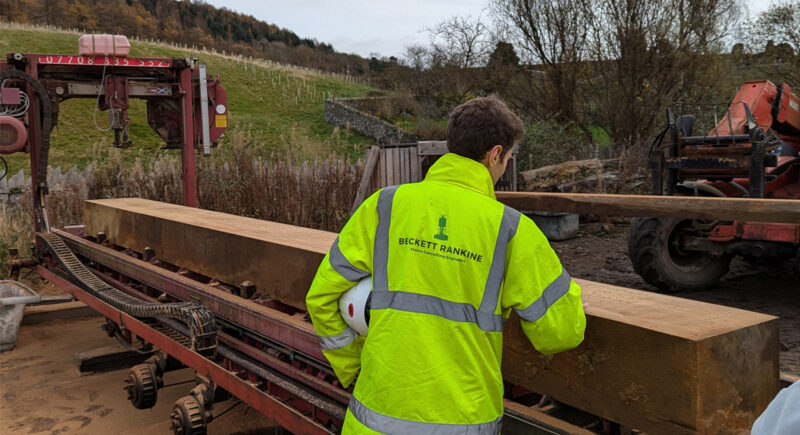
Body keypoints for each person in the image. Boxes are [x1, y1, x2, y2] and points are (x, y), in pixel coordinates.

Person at [306, 96, 586, 434]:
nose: (504, 167)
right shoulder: (510, 230)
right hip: (463, 423)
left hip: (374, 418)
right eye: (508, 158)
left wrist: (354, 367)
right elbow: (559, 333)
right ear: (495, 154)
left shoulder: (385, 206)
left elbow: (321, 297)